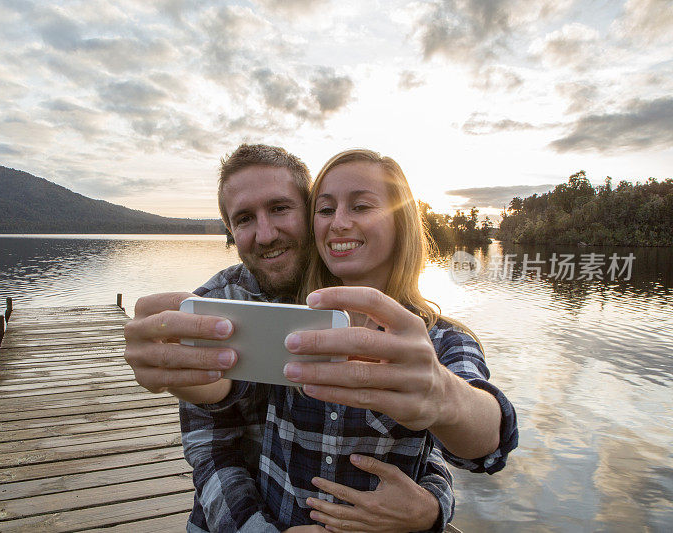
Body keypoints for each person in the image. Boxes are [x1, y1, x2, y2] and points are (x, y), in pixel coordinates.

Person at [123, 145, 518, 531]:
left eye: (360, 206)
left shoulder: (439, 338)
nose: (339, 222)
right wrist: (187, 368)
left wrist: (443, 413)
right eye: (326, 209)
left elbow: (481, 440)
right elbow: (214, 429)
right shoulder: (259, 306)